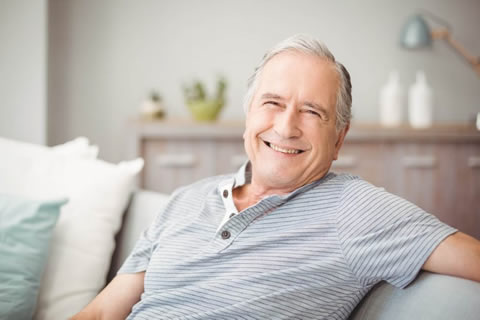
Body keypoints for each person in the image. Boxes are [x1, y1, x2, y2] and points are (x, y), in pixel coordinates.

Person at [72, 34, 480, 320]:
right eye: (273, 103)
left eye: (312, 112)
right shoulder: (186, 199)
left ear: (339, 139)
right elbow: (103, 311)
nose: (286, 128)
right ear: (249, 115)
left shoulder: (356, 211)